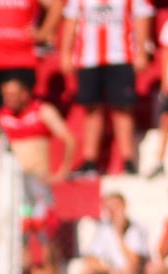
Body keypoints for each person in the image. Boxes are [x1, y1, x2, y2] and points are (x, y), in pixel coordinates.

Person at [62, 0, 152, 180]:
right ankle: (90, 161)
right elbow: (71, 21)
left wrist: (142, 50)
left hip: (121, 56)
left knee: (122, 108)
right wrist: (65, 52)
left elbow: (142, 17)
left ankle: (128, 160)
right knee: (92, 108)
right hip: (88, 57)